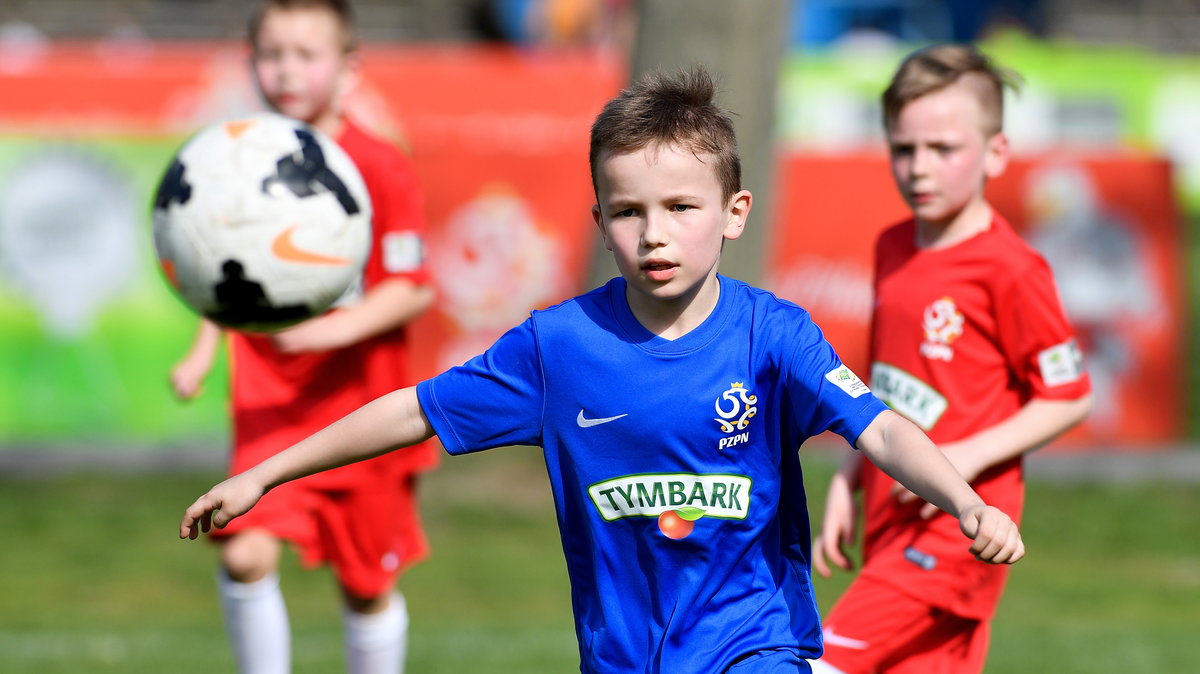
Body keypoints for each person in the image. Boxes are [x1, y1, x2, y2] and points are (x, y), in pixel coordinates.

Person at [180, 66, 1025, 674]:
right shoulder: (559, 347)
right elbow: (412, 411)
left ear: (733, 214)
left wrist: (964, 499)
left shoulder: (774, 334)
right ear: (599, 218)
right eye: (628, 212)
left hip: (755, 641)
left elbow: (877, 426)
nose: (655, 234)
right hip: (623, 654)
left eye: (680, 208)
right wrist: (269, 473)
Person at [169, 1, 437, 672]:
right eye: (272, 53)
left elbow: (413, 288)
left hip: (365, 407)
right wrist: (203, 352)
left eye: (305, 54)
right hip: (271, 402)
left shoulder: (378, 165)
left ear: (348, 70)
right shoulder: (234, 161)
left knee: (366, 585)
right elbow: (226, 273)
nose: (287, 70)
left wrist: (324, 335)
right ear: (250, 62)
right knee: (244, 549)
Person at [809, 44, 1092, 674]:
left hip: (958, 531)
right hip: (889, 521)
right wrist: (848, 479)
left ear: (995, 153)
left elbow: (1070, 395)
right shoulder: (891, 247)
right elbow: (883, 385)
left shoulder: (1013, 269)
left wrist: (960, 461)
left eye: (943, 149)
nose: (920, 168)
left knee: (819, 664)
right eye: (904, 149)